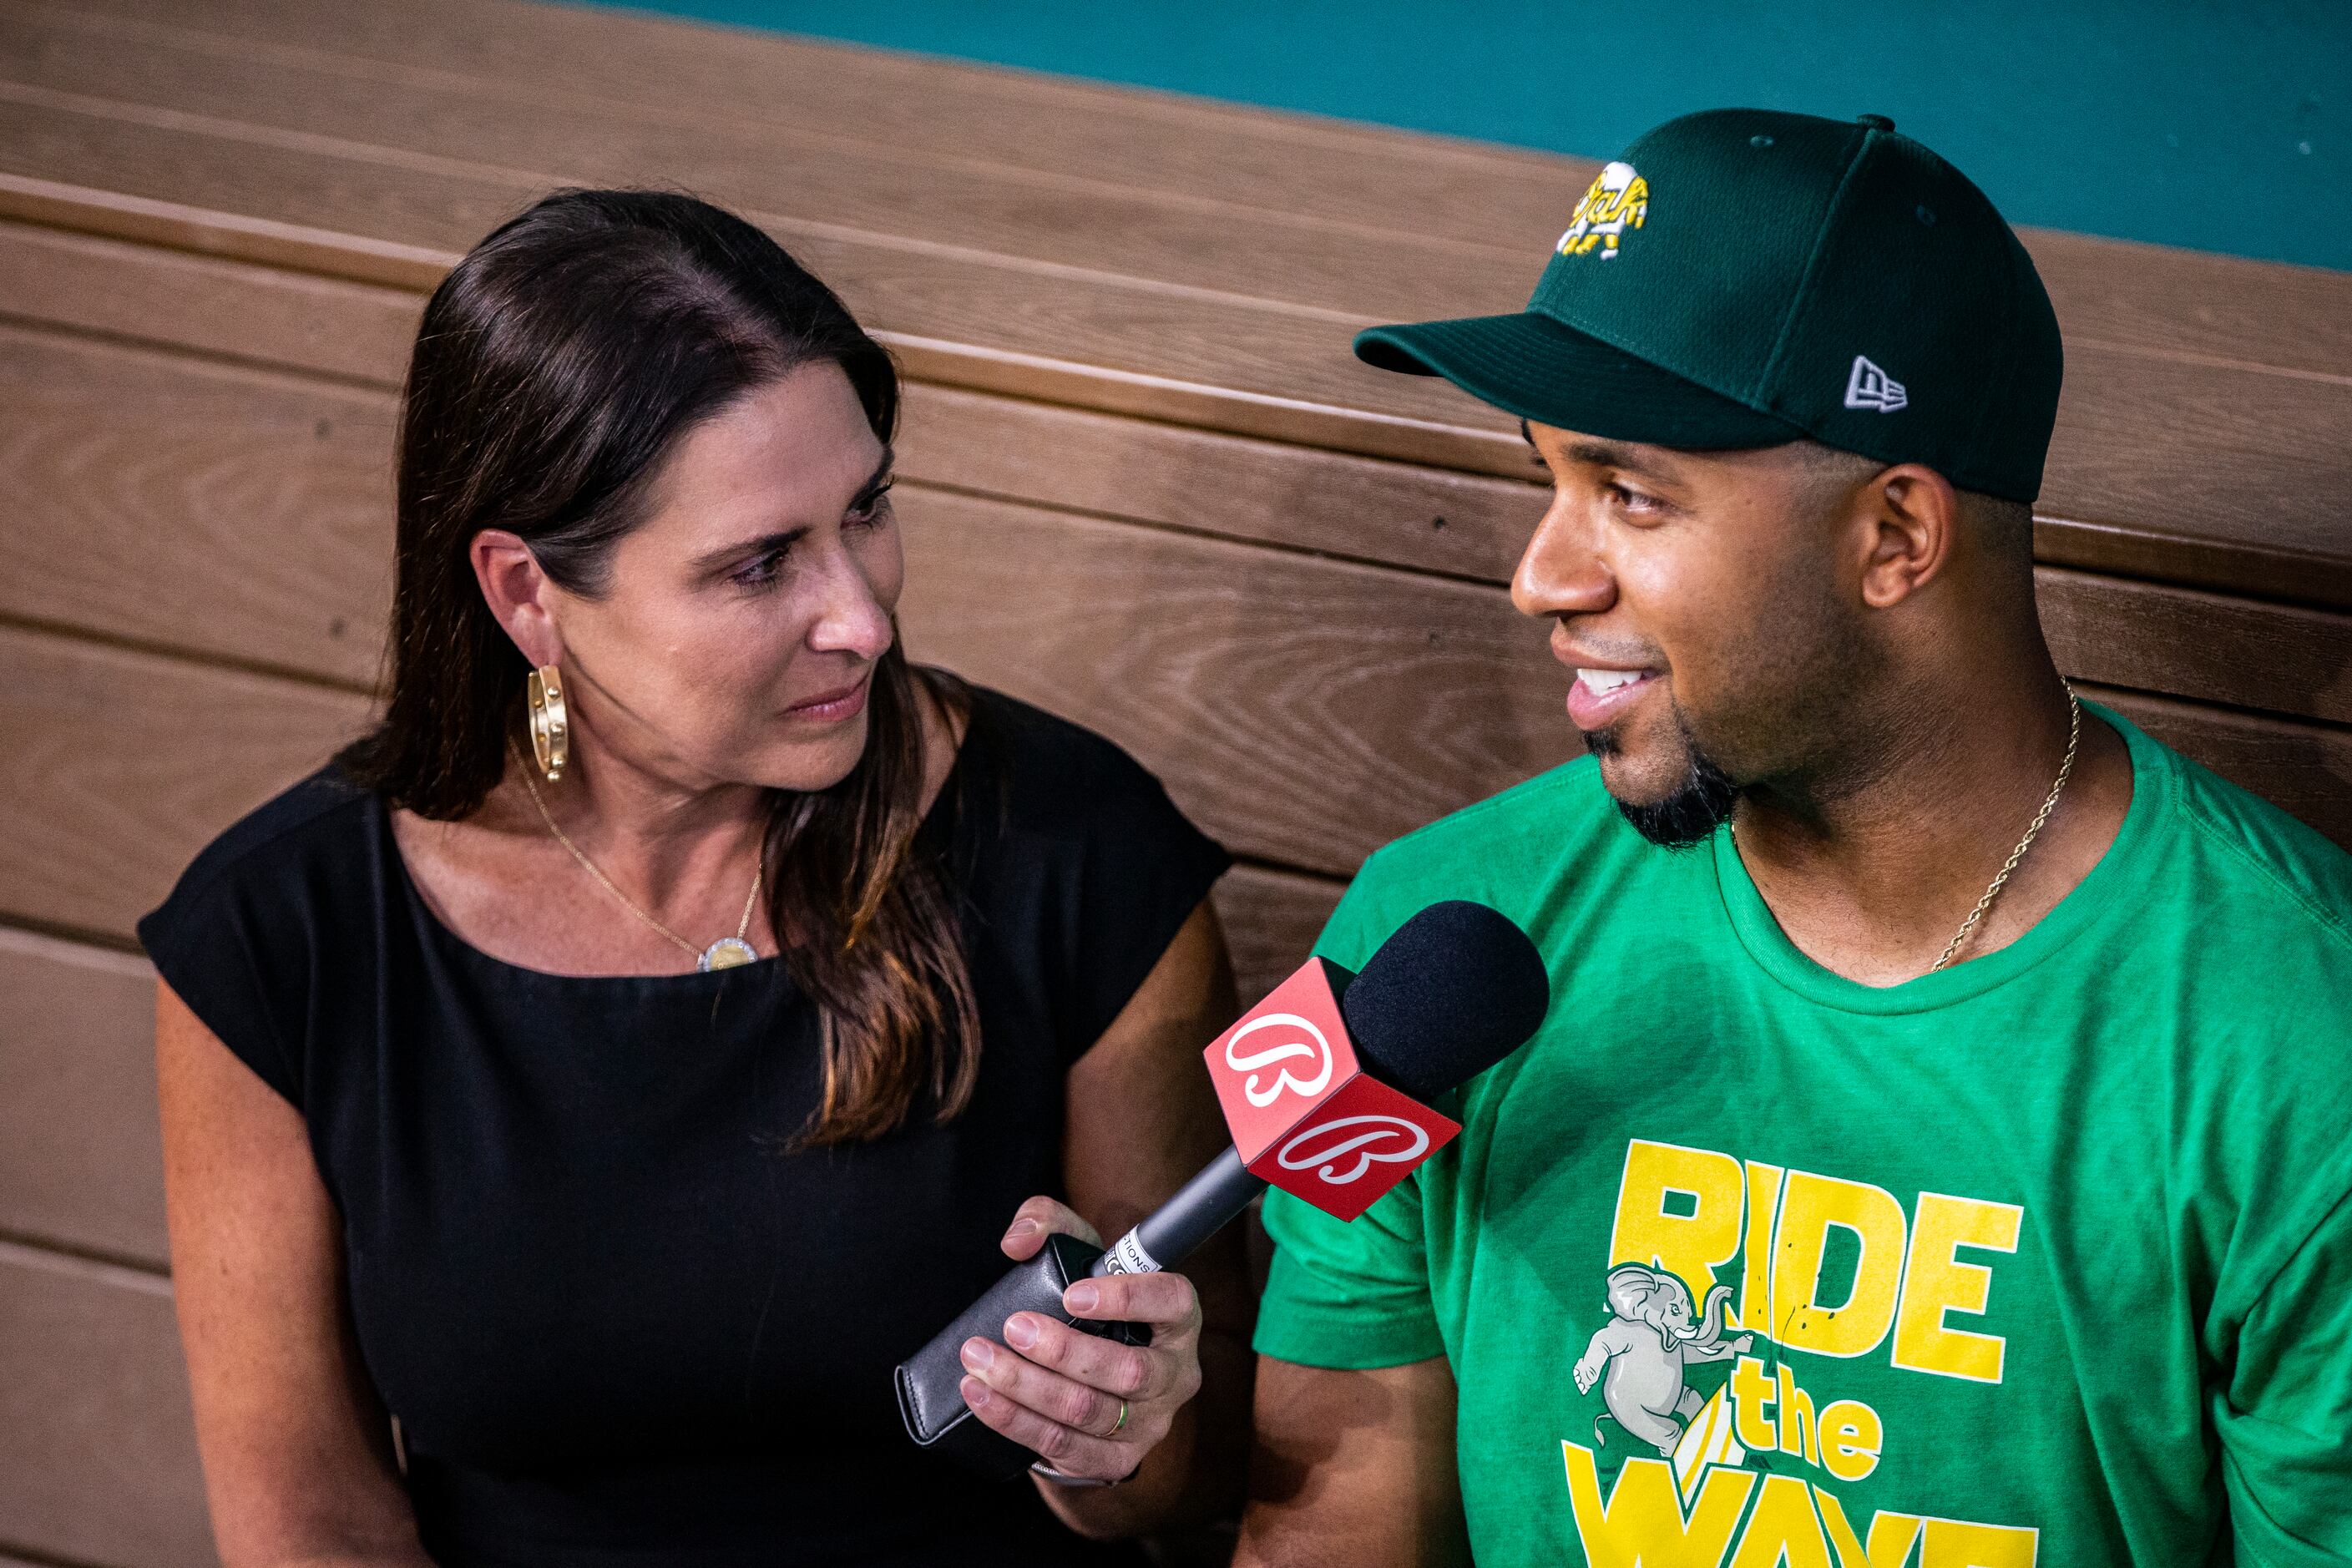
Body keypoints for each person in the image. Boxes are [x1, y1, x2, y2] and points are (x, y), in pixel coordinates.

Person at [1236, 110, 2352, 1567]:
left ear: (1895, 537)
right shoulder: (1438, 929)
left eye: (1627, 492)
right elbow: (1324, 1533)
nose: (1538, 576)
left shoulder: (2294, 1041)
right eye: (1546, 480)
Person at [143, 190, 1253, 1568]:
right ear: (527, 593)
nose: (861, 616)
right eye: (760, 562)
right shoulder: (281, 937)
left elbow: (1185, 1481)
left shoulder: (1076, 855)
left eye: (868, 509)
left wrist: (1111, 1444)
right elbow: (311, 1526)